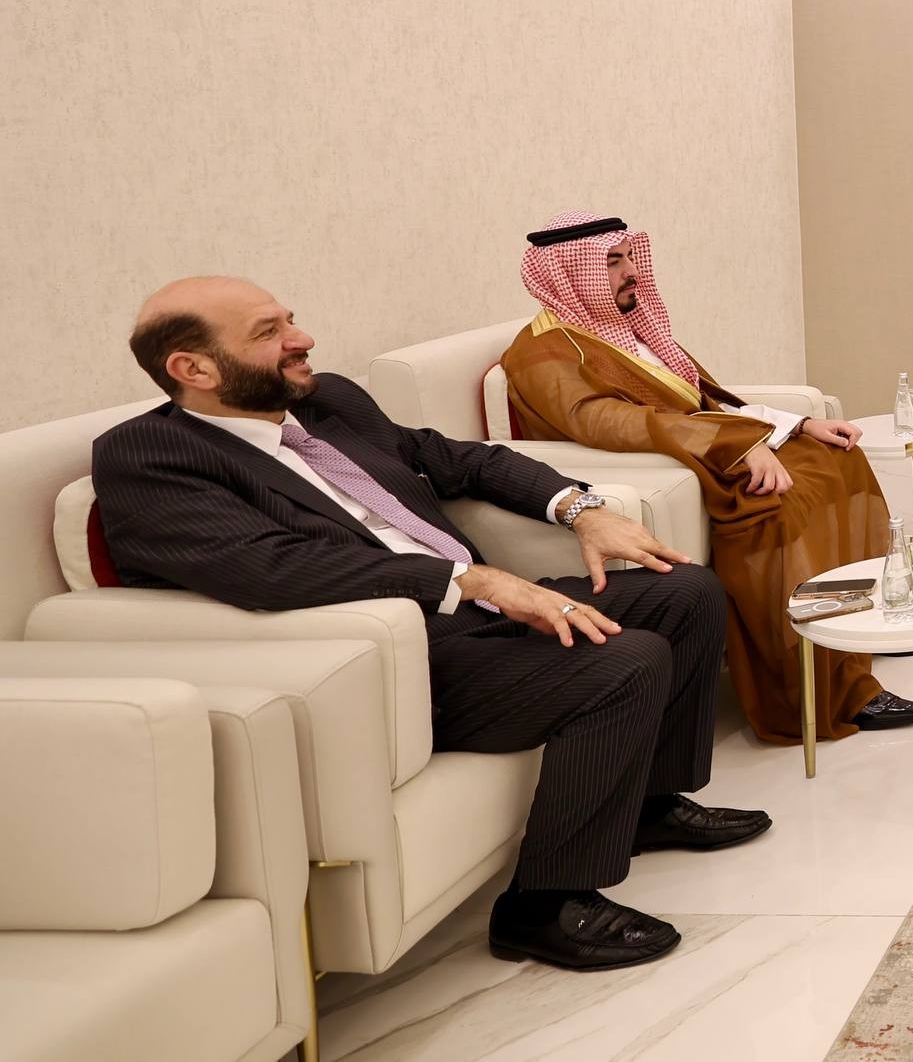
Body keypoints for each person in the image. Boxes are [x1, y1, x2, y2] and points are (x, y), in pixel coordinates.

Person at [94, 276, 764, 972]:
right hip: (399, 657)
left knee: (685, 591)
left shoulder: (326, 402)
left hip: (479, 612)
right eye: (269, 332)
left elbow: (460, 460)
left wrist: (581, 509)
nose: (303, 338)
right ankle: (544, 905)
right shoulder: (150, 457)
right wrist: (471, 580)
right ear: (193, 368)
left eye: (290, 319)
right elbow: (268, 567)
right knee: (624, 661)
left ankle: (648, 806)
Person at [500, 212, 913, 746]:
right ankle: (815, 689)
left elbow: (704, 401)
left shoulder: (622, 326)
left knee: (837, 459)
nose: (631, 272)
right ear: (569, 273)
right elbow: (605, 422)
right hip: (675, 464)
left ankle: (858, 632)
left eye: (630, 257)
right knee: (776, 504)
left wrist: (796, 425)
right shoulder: (543, 352)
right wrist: (734, 447)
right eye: (612, 262)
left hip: (701, 446)